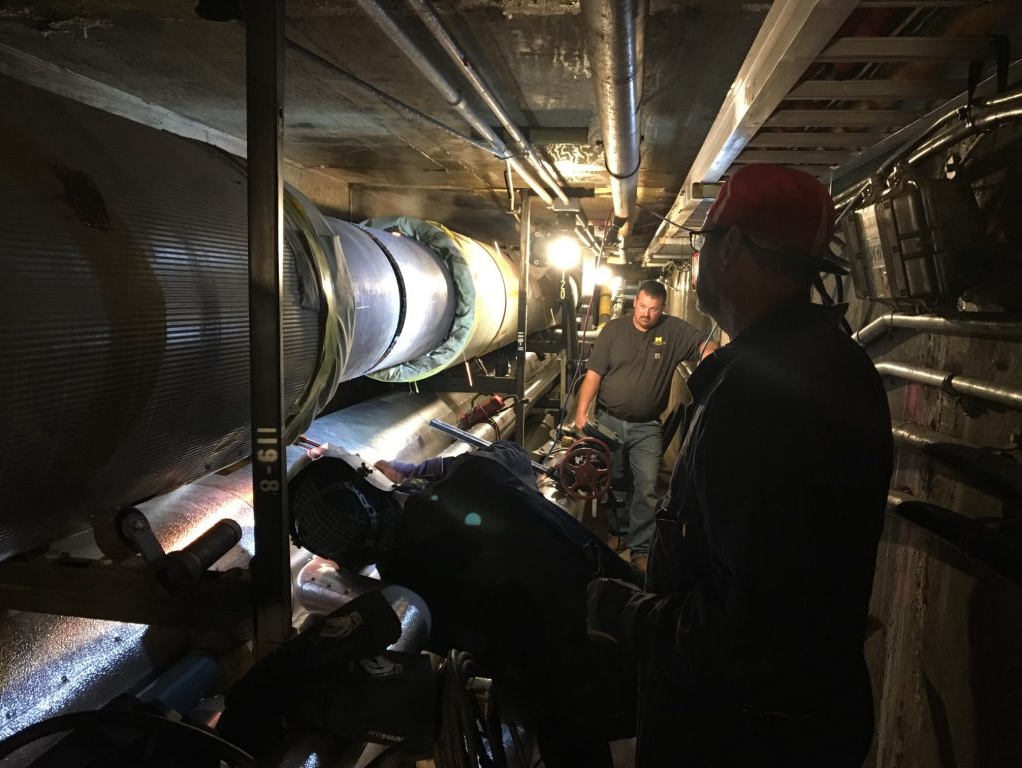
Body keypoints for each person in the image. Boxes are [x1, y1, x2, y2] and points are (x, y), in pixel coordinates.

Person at [586, 164, 894, 767]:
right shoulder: (826, 363)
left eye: (704, 242)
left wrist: (628, 614)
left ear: (731, 249)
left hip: (741, 731)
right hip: (797, 717)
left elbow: (750, 625)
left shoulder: (764, 395)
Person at [289, 440, 640, 768]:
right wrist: (416, 470)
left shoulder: (404, 594)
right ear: (372, 481)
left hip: (568, 708)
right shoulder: (474, 477)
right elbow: (510, 452)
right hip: (636, 630)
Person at [574, 279, 714, 570]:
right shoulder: (613, 331)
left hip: (647, 426)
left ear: (662, 308)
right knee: (613, 482)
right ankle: (618, 533)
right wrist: (581, 413)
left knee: (647, 486)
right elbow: (594, 374)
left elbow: (708, 346)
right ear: (634, 302)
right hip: (609, 421)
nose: (646, 313)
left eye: (653, 309)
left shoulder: (673, 331)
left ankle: (640, 548)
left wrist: (710, 370)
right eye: (641, 306)